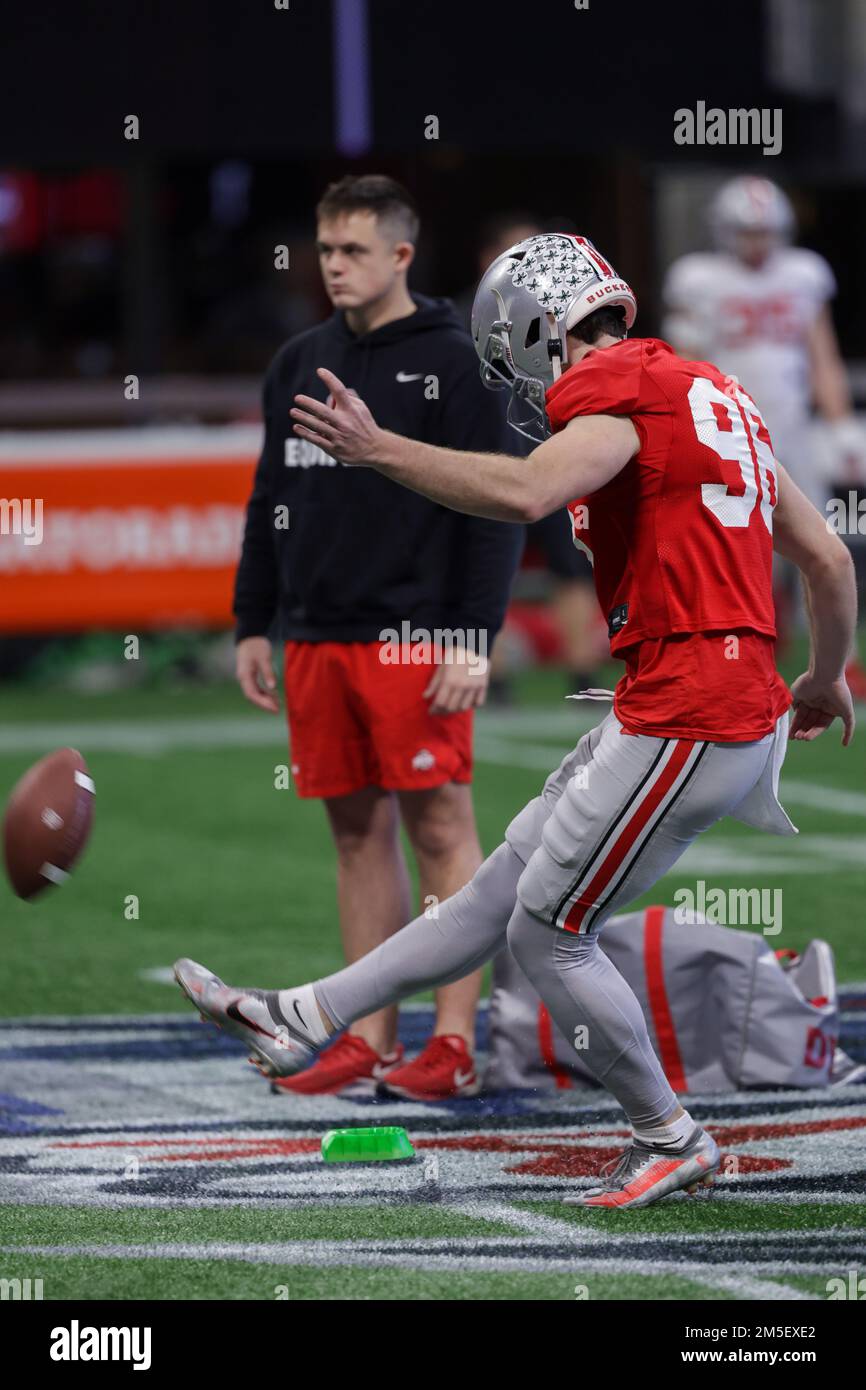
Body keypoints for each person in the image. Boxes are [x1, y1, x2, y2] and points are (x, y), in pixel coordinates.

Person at [177, 232, 856, 1208]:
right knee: (499, 891)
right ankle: (300, 1014)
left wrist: (376, 449)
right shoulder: (712, 391)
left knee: (549, 933)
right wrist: (825, 675)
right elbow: (826, 562)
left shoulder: (610, 386)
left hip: (688, 709)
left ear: (539, 328)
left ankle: (668, 1134)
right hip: (696, 702)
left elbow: (527, 490)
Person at [232, 175, 521, 1100]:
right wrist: (252, 621)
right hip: (317, 635)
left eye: (353, 251)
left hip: (415, 635)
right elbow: (271, 500)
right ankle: (366, 1038)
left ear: (402, 254)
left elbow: (495, 510)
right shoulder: (299, 359)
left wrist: (472, 637)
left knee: (441, 827)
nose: (333, 267)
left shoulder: (458, 358)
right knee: (356, 834)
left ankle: (453, 1040)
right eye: (324, 251)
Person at [663, 175, 866, 692]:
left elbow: (821, 351)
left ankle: (836, 658)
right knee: (734, 540)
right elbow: (684, 358)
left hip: (793, 427)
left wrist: (839, 421)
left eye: (765, 231)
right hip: (728, 427)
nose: (757, 243)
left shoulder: (803, 273)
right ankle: (742, 652)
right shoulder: (698, 277)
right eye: (747, 232)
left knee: (820, 542)